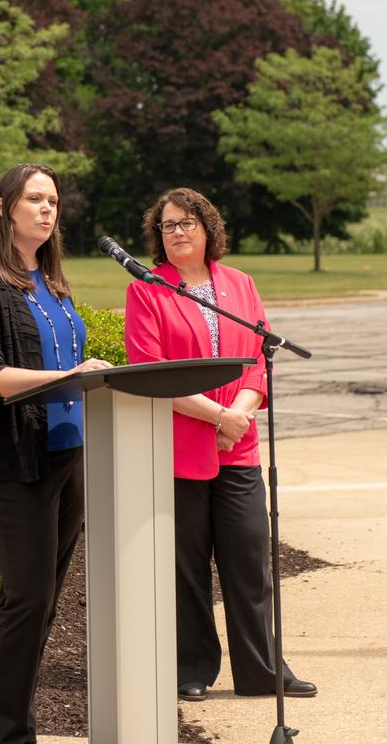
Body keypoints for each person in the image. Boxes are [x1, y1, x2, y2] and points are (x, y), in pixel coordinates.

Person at [0, 163, 111, 744]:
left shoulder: (52, 279)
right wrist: (72, 378)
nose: (47, 209)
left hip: (66, 457)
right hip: (10, 462)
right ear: (4, 207)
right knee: (28, 597)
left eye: (53, 201)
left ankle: (16, 734)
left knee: (42, 604)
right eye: (34, 199)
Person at [123, 187, 316, 702]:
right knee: (187, 567)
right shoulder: (148, 289)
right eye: (167, 225)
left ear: (207, 227)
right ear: (157, 236)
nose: (178, 231)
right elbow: (150, 370)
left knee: (250, 560)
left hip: (240, 445)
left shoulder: (240, 284)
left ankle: (262, 670)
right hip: (181, 449)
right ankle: (192, 669)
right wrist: (217, 416)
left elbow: (258, 358)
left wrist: (238, 416)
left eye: (187, 221)